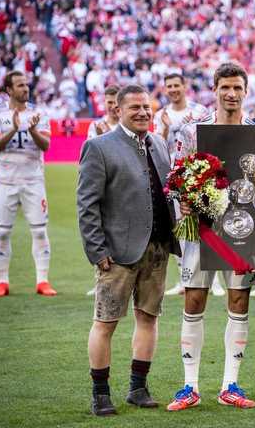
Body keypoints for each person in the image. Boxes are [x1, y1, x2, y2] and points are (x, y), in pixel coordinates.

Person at [77, 84, 180, 416]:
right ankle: (100, 393)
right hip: (117, 252)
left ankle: (138, 387)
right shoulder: (99, 146)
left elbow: (167, 192)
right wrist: (97, 249)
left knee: (148, 318)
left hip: (158, 247)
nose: (142, 113)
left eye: (147, 107)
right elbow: (87, 204)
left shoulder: (159, 144)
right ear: (118, 110)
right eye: (135, 107)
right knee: (106, 322)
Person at [166, 63, 255, 411]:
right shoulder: (192, 131)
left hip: (241, 233)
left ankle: (229, 385)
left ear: (245, 91)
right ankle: (189, 386)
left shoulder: (254, 132)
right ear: (214, 89)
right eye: (225, 88)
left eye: (237, 88)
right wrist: (184, 202)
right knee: (193, 302)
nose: (231, 94)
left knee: (239, 302)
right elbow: (174, 177)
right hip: (201, 232)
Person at [0, 71, 57, 297]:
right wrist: (14, 128)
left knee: (39, 231)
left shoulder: (38, 113)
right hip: (5, 182)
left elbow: (45, 145)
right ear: (8, 90)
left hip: (33, 181)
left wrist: (33, 129)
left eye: (26, 85)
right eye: (20, 85)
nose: (25, 89)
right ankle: (2, 281)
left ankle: (43, 281)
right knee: (3, 233)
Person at [153, 73, 211, 298]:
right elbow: (157, 145)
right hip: (173, 178)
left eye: (177, 85)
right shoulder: (160, 115)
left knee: (204, 226)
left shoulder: (200, 112)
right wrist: (166, 129)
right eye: (169, 86)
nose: (174, 89)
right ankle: (185, 278)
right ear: (165, 89)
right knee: (180, 228)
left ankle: (211, 279)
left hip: (199, 176)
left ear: (184, 86)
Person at [85, 84, 120, 296]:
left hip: (121, 186)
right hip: (103, 186)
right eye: (109, 102)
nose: (113, 106)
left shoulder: (127, 125)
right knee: (100, 231)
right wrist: (101, 138)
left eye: (116, 102)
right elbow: (91, 156)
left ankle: (119, 279)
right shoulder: (95, 126)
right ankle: (100, 280)